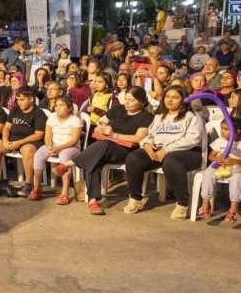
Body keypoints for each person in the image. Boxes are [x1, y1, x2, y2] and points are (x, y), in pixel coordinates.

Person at [54, 86, 154, 214]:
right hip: (104, 146)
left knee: (103, 146)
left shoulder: (146, 116)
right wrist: (100, 128)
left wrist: (114, 135)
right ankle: (93, 201)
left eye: (132, 100)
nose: (127, 102)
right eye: (126, 99)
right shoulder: (117, 109)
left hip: (125, 150)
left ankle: (68, 164)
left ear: (141, 102)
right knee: (94, 160)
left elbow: (139, 138)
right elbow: (102, 122)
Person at [123, 87, 204, 219]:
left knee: (171, 161)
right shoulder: (160, 116)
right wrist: (147, 144)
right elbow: (150, 135)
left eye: (175, 97)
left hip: (188, 152)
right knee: (134, 158)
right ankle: (136, 198)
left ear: (183, 100)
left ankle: (182, 204)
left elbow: (192, 139)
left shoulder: (192, 116)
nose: (170, 100)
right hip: (160, 150)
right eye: (167, 96)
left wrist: (166, 150)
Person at [0, 86, 47, 197]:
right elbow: (6, 128)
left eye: (22, 99)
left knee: (28, 149)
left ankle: (29, 184)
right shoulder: (15, 109)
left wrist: (19, 143)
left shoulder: (38, 113)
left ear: (31, 99)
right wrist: (5, 141)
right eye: (18, 99)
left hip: (30, 140)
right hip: (13, 139)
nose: (19, 102)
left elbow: (39, 134)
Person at [30, 96, 82, 203]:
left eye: (62, 105)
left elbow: (74, 140)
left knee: (64, 155)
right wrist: (50, 147)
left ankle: (65, 192)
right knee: (38, 154)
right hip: (54, 145)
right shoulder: (52, 117)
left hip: (70, 147)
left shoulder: (75, 120)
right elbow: (47, 136)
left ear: (69, 108)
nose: (58, 108)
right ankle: (37, 187)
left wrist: (59, 149)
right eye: (57, 105)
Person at [197, 117, 241, 221]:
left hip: (236, 170)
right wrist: (217, 159)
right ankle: (205, 204)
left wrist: (233, 162)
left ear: (238, 131)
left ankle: (233, 209)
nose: (222, 132)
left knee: (237, 179)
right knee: (207, 173)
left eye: (226, 129)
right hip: (220, 167)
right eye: (222, 128)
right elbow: (211, 156)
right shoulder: (220, 141)